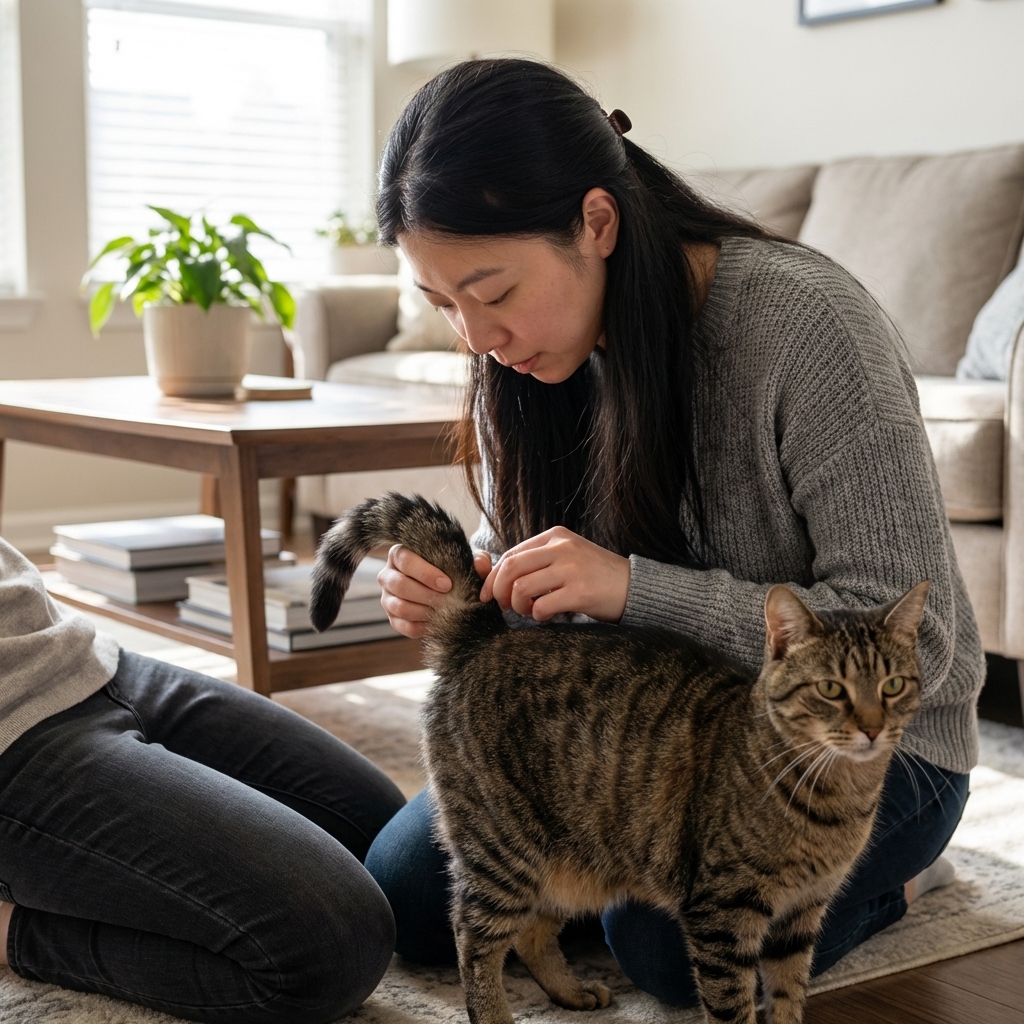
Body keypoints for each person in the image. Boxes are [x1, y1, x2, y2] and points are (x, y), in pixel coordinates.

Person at [362, 58, 982, 1006]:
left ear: (596, 224)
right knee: (406, 904)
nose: (477, 337)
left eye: (491, 291)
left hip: (854, 744)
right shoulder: (527, 365)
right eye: (444, 304)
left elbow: (923, 647)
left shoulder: (808, 330)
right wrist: (476, 584)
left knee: (663, 949)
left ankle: (892, 881)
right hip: (648, 744)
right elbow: (532, 568)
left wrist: (630, 587)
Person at [0, 536, 404, 1023]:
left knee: (390, 846)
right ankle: (13, 933)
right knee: (334, 947)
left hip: (78, 656)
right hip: (13, 738)